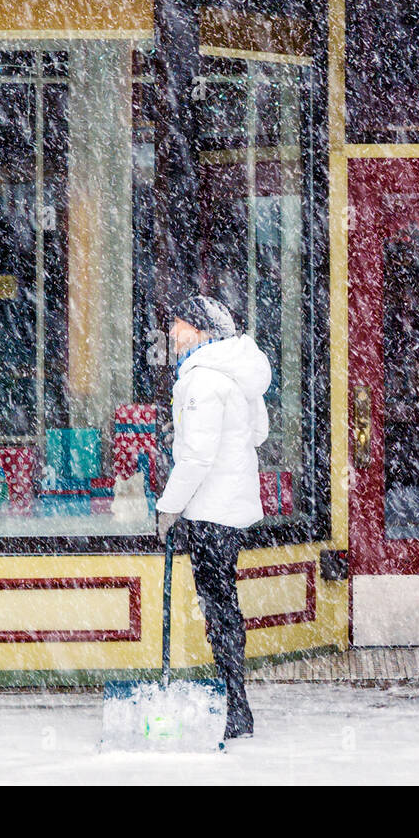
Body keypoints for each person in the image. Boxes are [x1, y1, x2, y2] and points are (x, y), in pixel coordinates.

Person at [155, 294, 272, 739]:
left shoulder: (203, 380)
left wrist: (169, 507)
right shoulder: (236, 372)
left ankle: (234, 705)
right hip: (233, 508)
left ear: (201, 330)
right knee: (224, 601)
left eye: (178, 324)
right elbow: (258, 432)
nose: (171, 332)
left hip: (208, 511)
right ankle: (235, 696)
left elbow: (197, 457)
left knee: (217, 604)